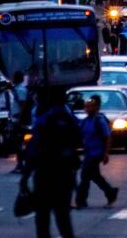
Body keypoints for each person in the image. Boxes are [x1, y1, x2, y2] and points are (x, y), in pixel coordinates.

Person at [20, 88, 81, 238]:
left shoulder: (44, 121)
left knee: (42, 218)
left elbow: (33, 151)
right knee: (63, 219)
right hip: (65, 176)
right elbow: (78, 142)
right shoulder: (70, 120)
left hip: (45, 175)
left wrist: (25, 176)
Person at [75, 95, 118, 208]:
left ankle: (80, 200)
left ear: (96, 108)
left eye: (90, 107)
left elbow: (108, 137)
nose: (87, 109)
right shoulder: (85, 121)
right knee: (94, 176)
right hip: (89, 153)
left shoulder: (99, 120)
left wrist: (106, 153)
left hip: (97, 153)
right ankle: (110, 192)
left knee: (85, 175)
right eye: (86, 107)